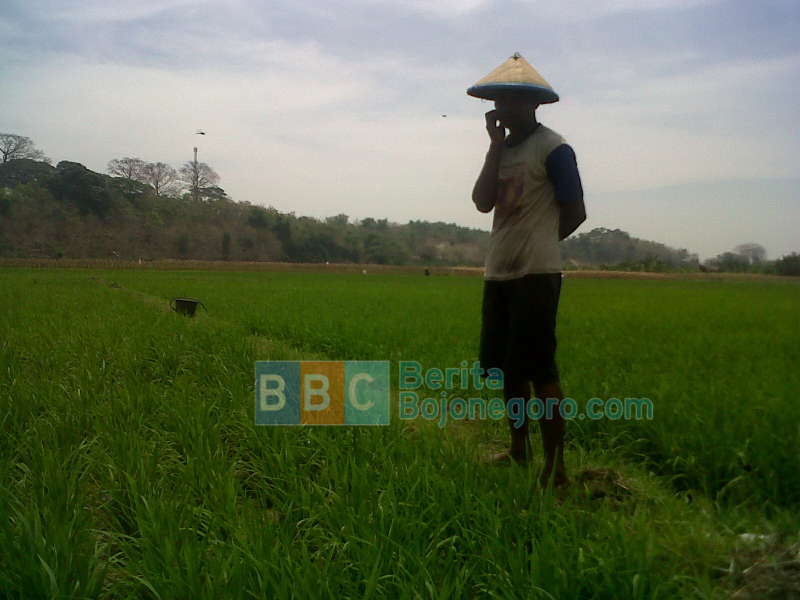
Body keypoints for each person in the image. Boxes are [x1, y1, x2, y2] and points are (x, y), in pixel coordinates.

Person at [471, 76, 586, 488]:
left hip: (536, 274)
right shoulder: (502, 151)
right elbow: (483, 202)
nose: (506, 106)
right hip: (499, 270)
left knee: (541, 371)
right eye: (501, 99)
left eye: (515, 99)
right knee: (508, 370)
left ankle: (557, 471)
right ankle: (518, 451)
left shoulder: (553, 148)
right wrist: (493, 144)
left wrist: (539, 243)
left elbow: (575, 211)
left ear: (534, 104)